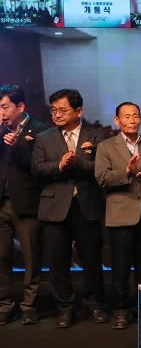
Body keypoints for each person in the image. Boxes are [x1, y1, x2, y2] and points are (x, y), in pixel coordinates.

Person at [31, 89, 107, 328]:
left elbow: (101, 168)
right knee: (58, 262)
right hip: (55, 207)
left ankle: (95, 303)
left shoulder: (96, 136)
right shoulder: (44, 137)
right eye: (53, 110)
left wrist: (77, 163)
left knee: (92, 260)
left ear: (78, 111)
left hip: (87, 206)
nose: (57, 115)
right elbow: (37, 169)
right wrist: (59, 165)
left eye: (62, 110)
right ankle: (65, 307)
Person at [94, 102, 141, 330]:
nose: (132, 120)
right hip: (120, 214)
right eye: (127, 116)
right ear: (117, 120)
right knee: (120, 268)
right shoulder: (106, 146)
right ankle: (120, 310)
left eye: (135, 116)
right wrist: (127, 172)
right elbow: (101, 178)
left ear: (140, 118)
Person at [0, 88, 47, 325]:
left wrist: (18, 145)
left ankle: (29, 305)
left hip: (28, 204)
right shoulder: (0, 130)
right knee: (1, 257)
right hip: (2, 204)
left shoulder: (39, 130)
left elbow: (38, 168)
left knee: (31, 257)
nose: (1, 113)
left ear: (20, 107)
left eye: (4, 107)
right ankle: (4, 304)